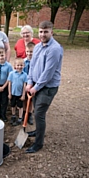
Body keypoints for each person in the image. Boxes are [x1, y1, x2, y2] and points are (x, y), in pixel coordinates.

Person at [25, 21, 63, 153]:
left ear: (51, 32)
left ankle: (38, 143)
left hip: (48, 88)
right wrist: (30, 82)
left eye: (46, 31)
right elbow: (32, 65)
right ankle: (37, 131)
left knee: (39, 114)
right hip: (36, 84)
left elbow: (48, 73)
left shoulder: (55, 49)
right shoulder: (37, 47)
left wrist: (36, 87)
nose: (43, 34)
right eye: (41, 31)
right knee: (37, 112)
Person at [8, 58, 27, 126]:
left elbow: (25, 85)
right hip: (13, 93)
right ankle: (13, 115)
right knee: (13, 105)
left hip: (20, 94)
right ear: (15, 66)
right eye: (18, 65)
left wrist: (23, 95)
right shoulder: (11, 74)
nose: (19, 67)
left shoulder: (25, 75)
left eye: (21, 65)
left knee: (20, 106)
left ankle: (20, 117)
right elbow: (9, 84)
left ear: (24, 65)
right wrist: (9, 93)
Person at [23, 42, 36, 125]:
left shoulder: (36, 62)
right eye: (27, 51)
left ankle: (30, 114)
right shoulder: (23, 62)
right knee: (24, 99)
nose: (29, 53)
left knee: (31, 100)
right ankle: (24, 113)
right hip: (25, 83)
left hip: (33, 84)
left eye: (31, 52)